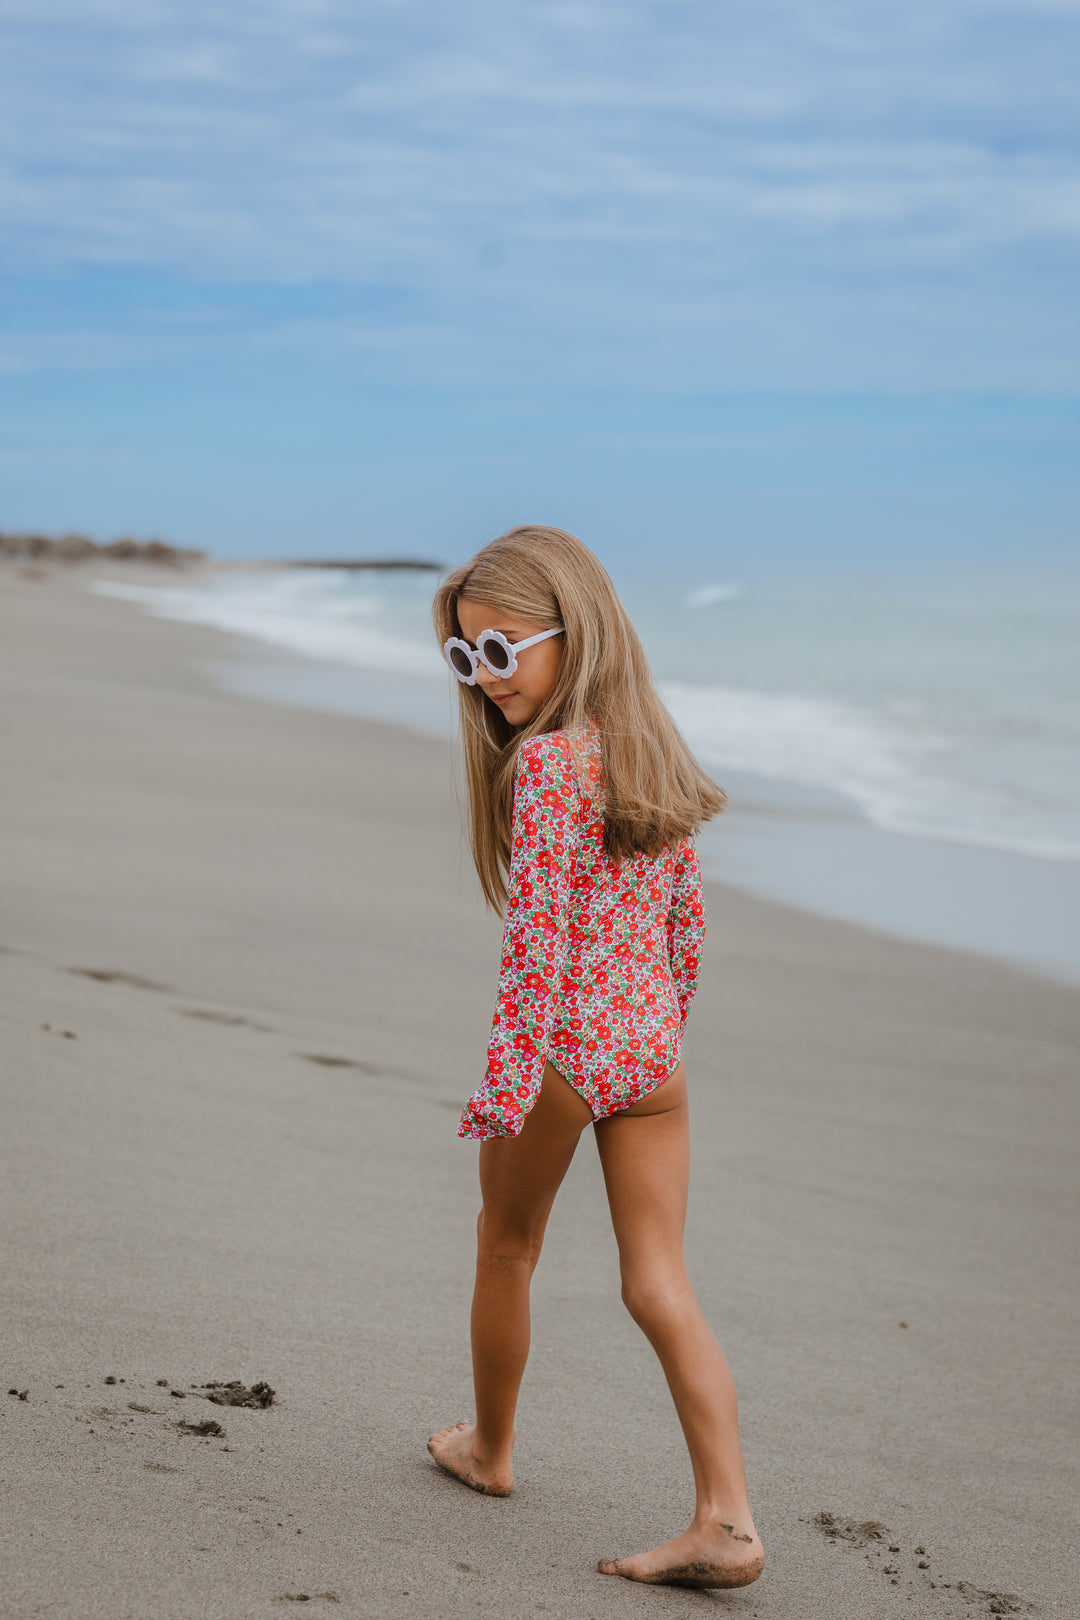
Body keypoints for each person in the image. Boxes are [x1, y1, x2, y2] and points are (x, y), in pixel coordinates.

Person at [426, 525, 764, 1591]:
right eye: (465, 658)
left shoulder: (553, 766)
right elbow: (686, 934)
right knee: (660, 1279)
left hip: (565, 1053)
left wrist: (505, 1083)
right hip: (653, 1057)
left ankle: (489, 1449)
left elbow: (535, 952)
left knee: (506, 1245)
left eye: (503, 651)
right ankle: (727, 1518)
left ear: (577, 634)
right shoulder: (649, 749)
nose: (486, 681)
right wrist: (652, 1037)